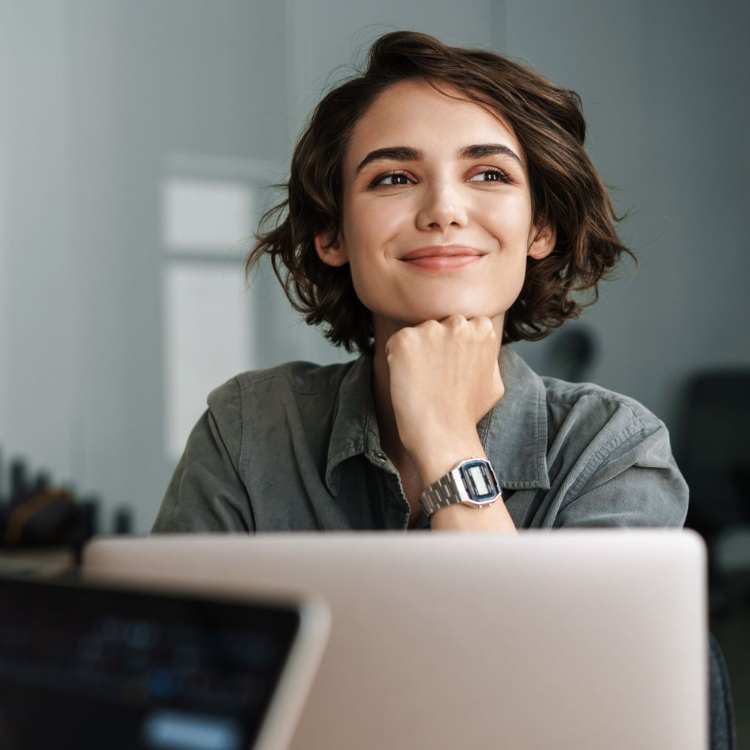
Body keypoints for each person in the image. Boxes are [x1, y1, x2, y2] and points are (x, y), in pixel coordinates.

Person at [152, 30, 688, 534]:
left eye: (489, 175)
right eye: (393, 178)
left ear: (540, 228)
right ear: (331, 234)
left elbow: (532, 639)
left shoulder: (613, 450)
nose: (443, 211)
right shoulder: (246, 430)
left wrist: (446, 439)